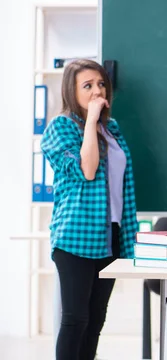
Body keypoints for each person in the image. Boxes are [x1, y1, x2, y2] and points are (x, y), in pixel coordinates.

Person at [41, 59, 139, 360]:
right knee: (75, 319)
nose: (97, 91)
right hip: (75, 237)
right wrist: (92, 118)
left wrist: (98, 121)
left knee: (96, 320)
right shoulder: (60, 127)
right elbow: (87, 168)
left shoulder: (113, 129)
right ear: (72, 91)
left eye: (100, 84)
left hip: (111, 235)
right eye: (87, 86)